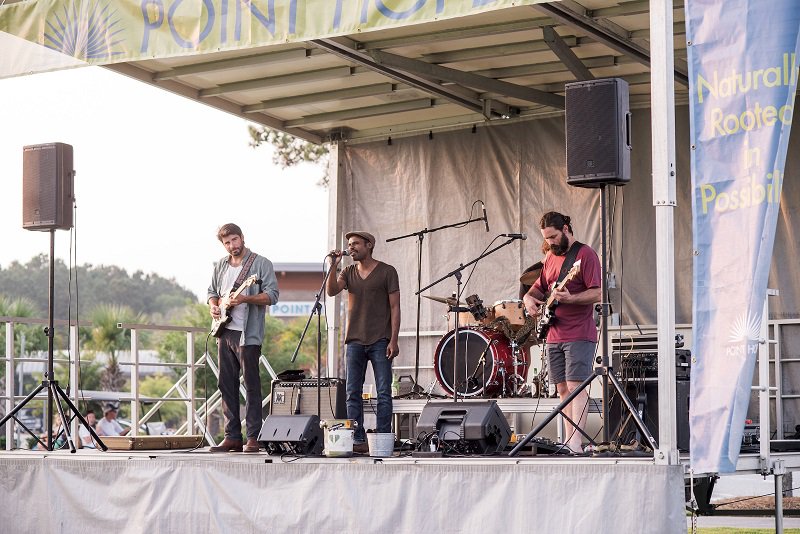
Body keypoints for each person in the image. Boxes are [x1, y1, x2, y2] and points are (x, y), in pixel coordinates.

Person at [523, 212, 601, 453]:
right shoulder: (549, 257)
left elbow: (599, 293)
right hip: (554, 333)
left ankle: (576, 442)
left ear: (566, 229)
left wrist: (572, 298)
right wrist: (528, 300)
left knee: (577, 385)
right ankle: (569, 441)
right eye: (547, 239)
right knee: (562, 389)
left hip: (579, 332)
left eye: (554, 237)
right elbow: (538, 289)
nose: (551, 243)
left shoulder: (584, 255)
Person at [326, 231, 400, 454]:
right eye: (349, 244)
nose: (351, 247)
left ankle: (383, 437)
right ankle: (357, 440)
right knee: (352, 393)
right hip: (354, 341)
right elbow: (330, 291)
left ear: (369, 245)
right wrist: (333, 265)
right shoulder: (347, 272)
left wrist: (393, 340)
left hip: (380, 339)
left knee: (384, 392)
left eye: (356, 243)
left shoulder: (387, 271)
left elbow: (395, 307)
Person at [207, 223, 279, 453]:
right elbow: (212, 293)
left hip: (248, 333)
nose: (232, 246)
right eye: (227, 243)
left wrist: (245, 300)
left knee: (251, 384)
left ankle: (254, 437)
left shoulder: (260, 263)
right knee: (225, 384)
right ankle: (232, 436)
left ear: (242, 238)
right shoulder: (220, 265)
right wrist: (214, 307)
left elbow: (273, 296)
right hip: (224, 331)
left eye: (235, 240)